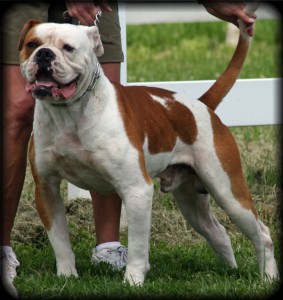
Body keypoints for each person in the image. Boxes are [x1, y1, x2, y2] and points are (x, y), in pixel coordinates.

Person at [1, 1, 257, 297]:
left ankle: (118, 253)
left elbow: (139, 190)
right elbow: (46, 189)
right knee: (26, 134)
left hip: (183, 124)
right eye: (33, 47)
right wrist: (65, 265)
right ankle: (54, 263)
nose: (43, 56)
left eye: (68, 49)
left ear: (92, 47)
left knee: (228, 206)